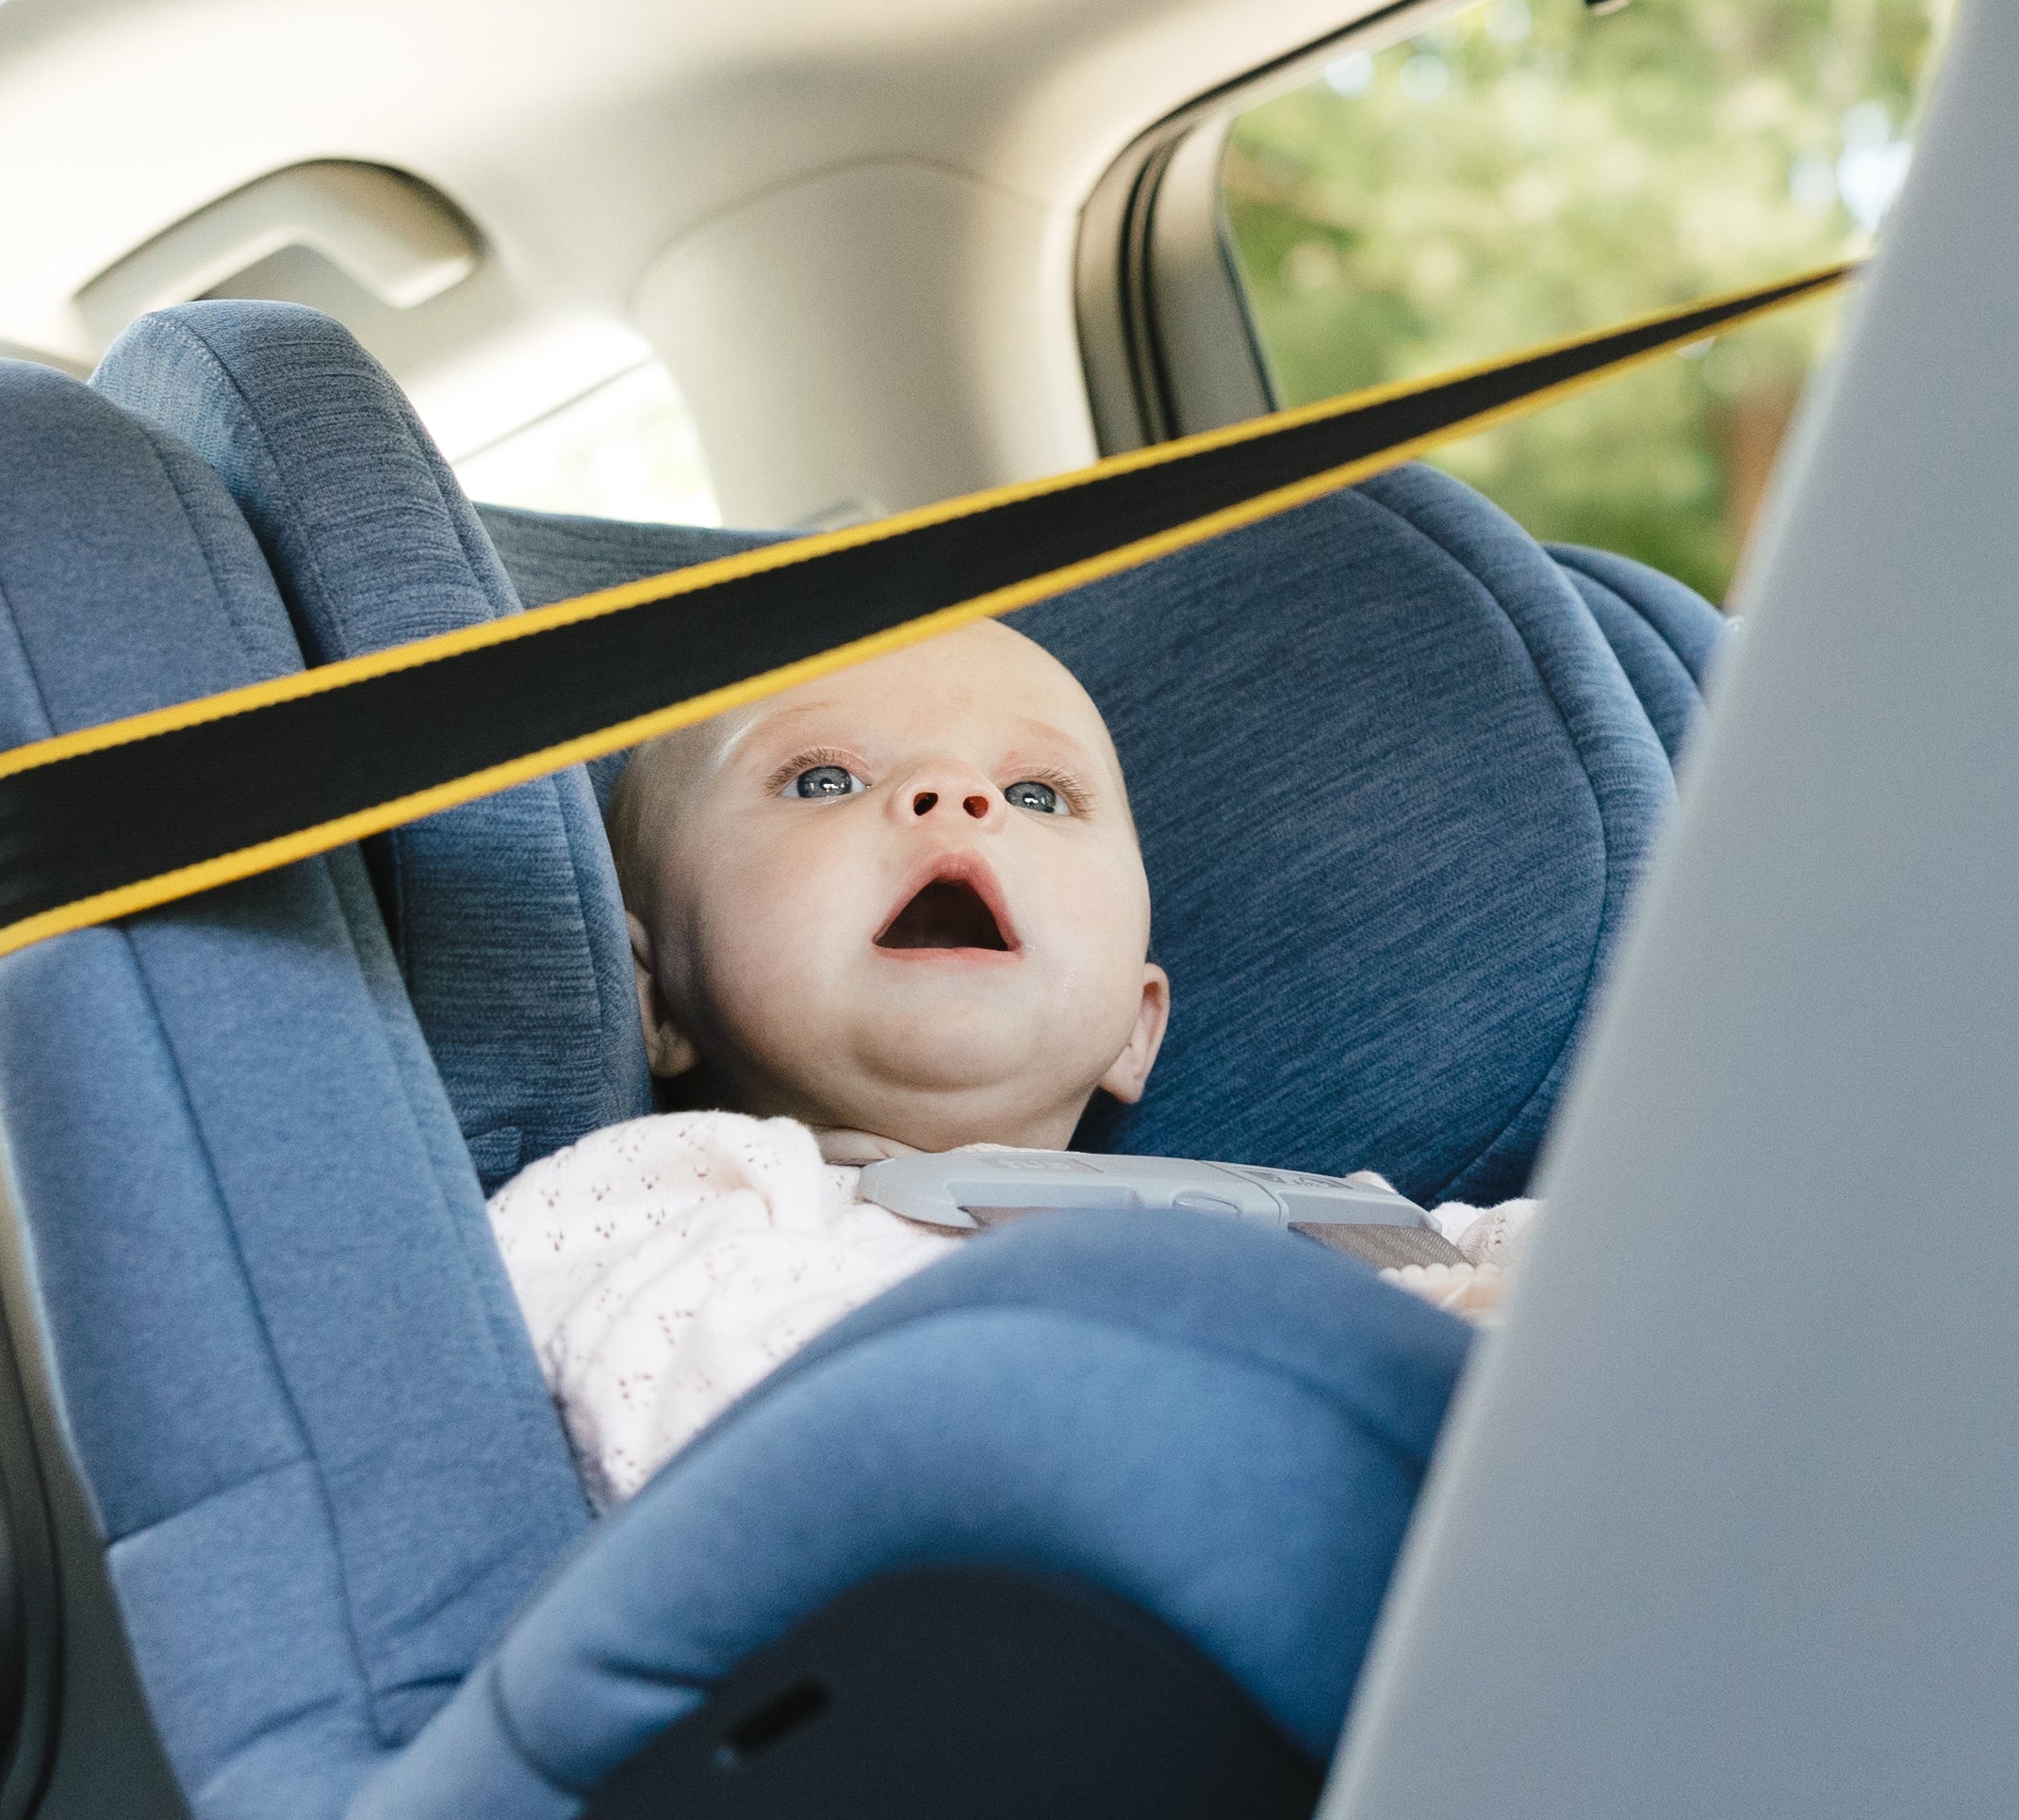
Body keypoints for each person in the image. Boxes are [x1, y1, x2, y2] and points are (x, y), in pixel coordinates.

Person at [489, 617, 1523, 1506]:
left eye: (1035, 793)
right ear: (653, 997)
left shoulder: (1316, 1216)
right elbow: (739, 1424)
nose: (954, 792)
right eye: (823, 779)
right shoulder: (667, 1196)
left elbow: (1570, 1270)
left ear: (1135, 1026)